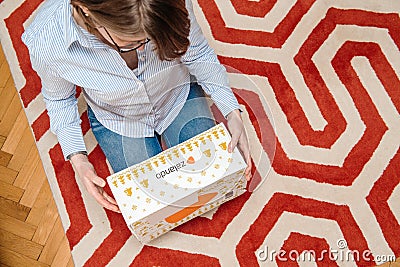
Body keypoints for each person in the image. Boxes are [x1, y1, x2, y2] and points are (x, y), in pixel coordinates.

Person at [22, 0, 252, 213]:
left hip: (175, 95)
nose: (142, 50)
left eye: (152, 39)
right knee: (152, 202)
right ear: (87, 11)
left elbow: (198, 52)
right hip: (118, 117)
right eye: (130, 42)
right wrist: (79, 160)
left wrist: (232, 111)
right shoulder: (46, 39)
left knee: (214, 177)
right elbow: (60, 99)